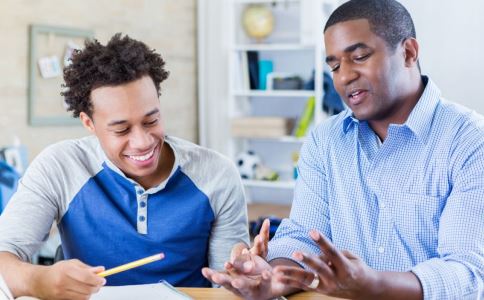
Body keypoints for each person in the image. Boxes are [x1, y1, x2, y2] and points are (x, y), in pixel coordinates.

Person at [202, 0, 484, 299]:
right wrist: (273, 275)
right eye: (335, 66)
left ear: (409, 53)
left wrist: (376, 285)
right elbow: (302, 236)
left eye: (359, 56)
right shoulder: (325, 140)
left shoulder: (470, 142)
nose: (344, 76)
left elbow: (468, 272)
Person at [0, 34, 249, 299]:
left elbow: (228, 289)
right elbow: (5, 253)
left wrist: (246, 277)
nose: (142, 142)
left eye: (151, 121)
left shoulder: (216, 173)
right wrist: (38, 280)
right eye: (121, 129)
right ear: (89, 123)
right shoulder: (59, 166)